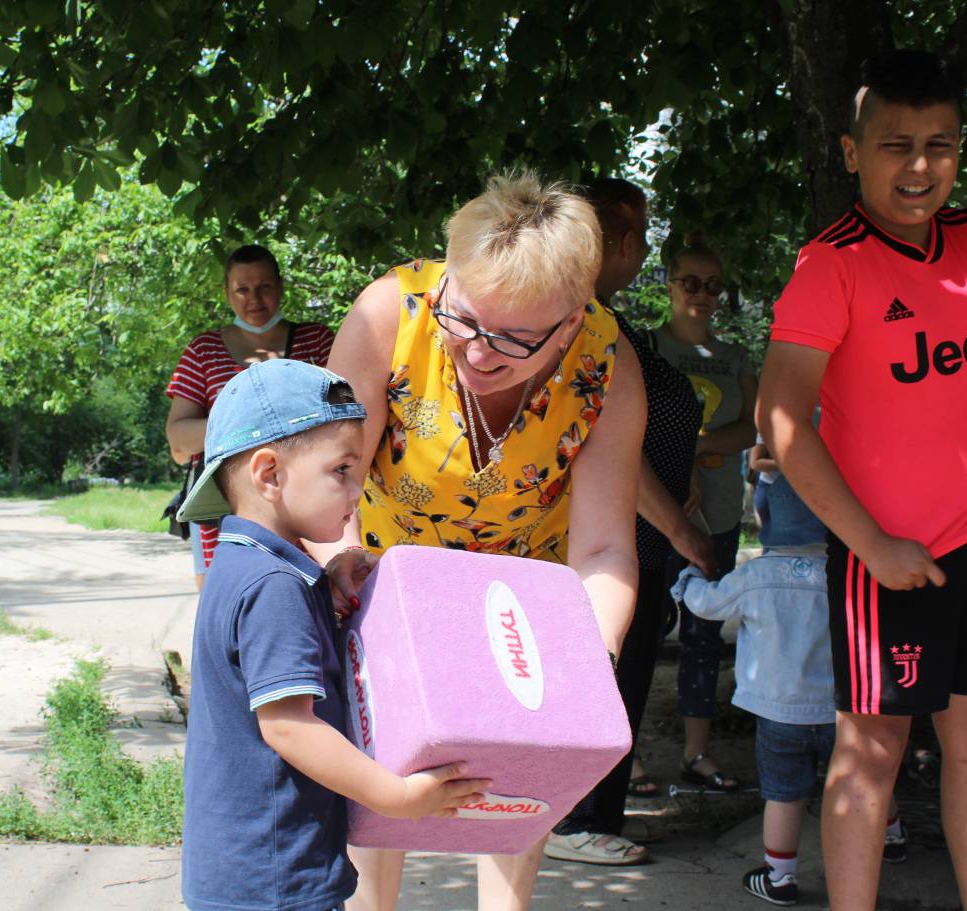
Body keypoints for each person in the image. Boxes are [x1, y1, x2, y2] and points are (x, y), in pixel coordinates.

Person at [312, 171, 646, 910]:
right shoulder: (389, 314)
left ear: (571, 322)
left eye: (514, 339)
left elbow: (603, 551)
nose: (478, 352)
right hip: (384, 583)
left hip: (524, 600)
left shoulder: (605, 365)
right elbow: (324, 484)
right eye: (463, 320)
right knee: (378, 810)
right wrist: (337, 566)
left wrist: (585, 665)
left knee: (515, 796)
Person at [758, 49, 967, 911]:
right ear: (852, 150)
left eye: (940, 144)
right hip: (886, 554)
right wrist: (870, 544)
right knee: (870, 751)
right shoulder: (831, 262)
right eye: (896, 144)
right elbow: (780, 421)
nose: (919, 167)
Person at [175, 358, 490, 911]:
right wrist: (394, 796)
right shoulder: (275, 586)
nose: (357, 489)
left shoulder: (248, 565)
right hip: (276, 874)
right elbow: (290, 728)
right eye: (341, 470)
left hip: (245, 865)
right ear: (269, 475)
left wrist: (328, 582)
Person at [543, 178, 715, 865]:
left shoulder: (598, 318)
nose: (642, 249)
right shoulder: (583, 325)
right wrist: (682, 531)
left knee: (621, 671)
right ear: (616, 242)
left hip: (627, 538)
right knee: (603, 673)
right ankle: (575, 821)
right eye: (640, 235)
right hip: (610, 541)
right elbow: (608, 451)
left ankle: (586, 814)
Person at [672, 476, 909, 904]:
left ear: (767, 521)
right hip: (842, 711)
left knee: (783, 795)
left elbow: (705, 605)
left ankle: (780, 877)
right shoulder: (846, 572)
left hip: (778, 712)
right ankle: (890, 838)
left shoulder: (755, 575)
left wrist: (688, 578)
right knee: (867, 780)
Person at [165, 244, 335, 589]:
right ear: (227, 292)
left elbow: (344, 415)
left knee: (313, 599)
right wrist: (259, 422)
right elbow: (179, 437)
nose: (254, 298)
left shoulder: (318, 342)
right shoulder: (203, 350)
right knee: (231, 602)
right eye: (242, 289)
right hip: (225, 511)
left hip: (307, 503)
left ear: (281, 287)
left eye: (264, 287)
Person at [653, 242, 757, 794]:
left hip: (717, 519)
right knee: (644, 633)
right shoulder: (648, 348)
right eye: (691, 282)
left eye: (713, 285)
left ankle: (697, 754)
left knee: (703, 637)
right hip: (655, 516)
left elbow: (753, 429)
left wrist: (692, 448)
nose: (702, 294)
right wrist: (689, 456)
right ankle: (629, 759)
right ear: (669, 284)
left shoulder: (736, 359)